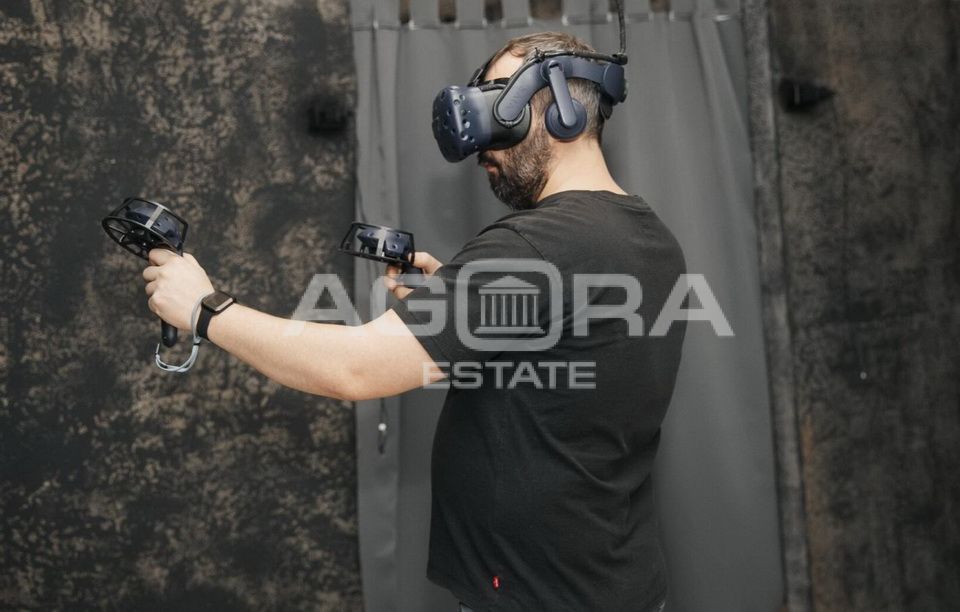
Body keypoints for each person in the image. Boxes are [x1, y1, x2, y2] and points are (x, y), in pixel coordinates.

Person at [142, 31, 683, 612]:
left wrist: (205, 309)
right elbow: (576, 365)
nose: (482, 146)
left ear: (560, 108)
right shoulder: (647, 235)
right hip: (612, 582)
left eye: (497, 103)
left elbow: (354, 370)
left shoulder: (536, 245)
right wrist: (465, 302)